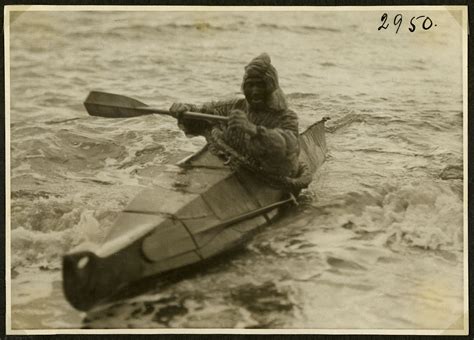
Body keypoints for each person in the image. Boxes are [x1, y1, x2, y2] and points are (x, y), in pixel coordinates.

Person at [170, 53, 300, 178]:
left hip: (270, 174)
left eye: (260, 85)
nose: (255, 91)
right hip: (237, 164)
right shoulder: (235, 106)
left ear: (271, 87)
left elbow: (289, 145)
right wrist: (185, 110)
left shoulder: (286, 117)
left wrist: (253, 130)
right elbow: (203, 113)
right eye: (250, 85)